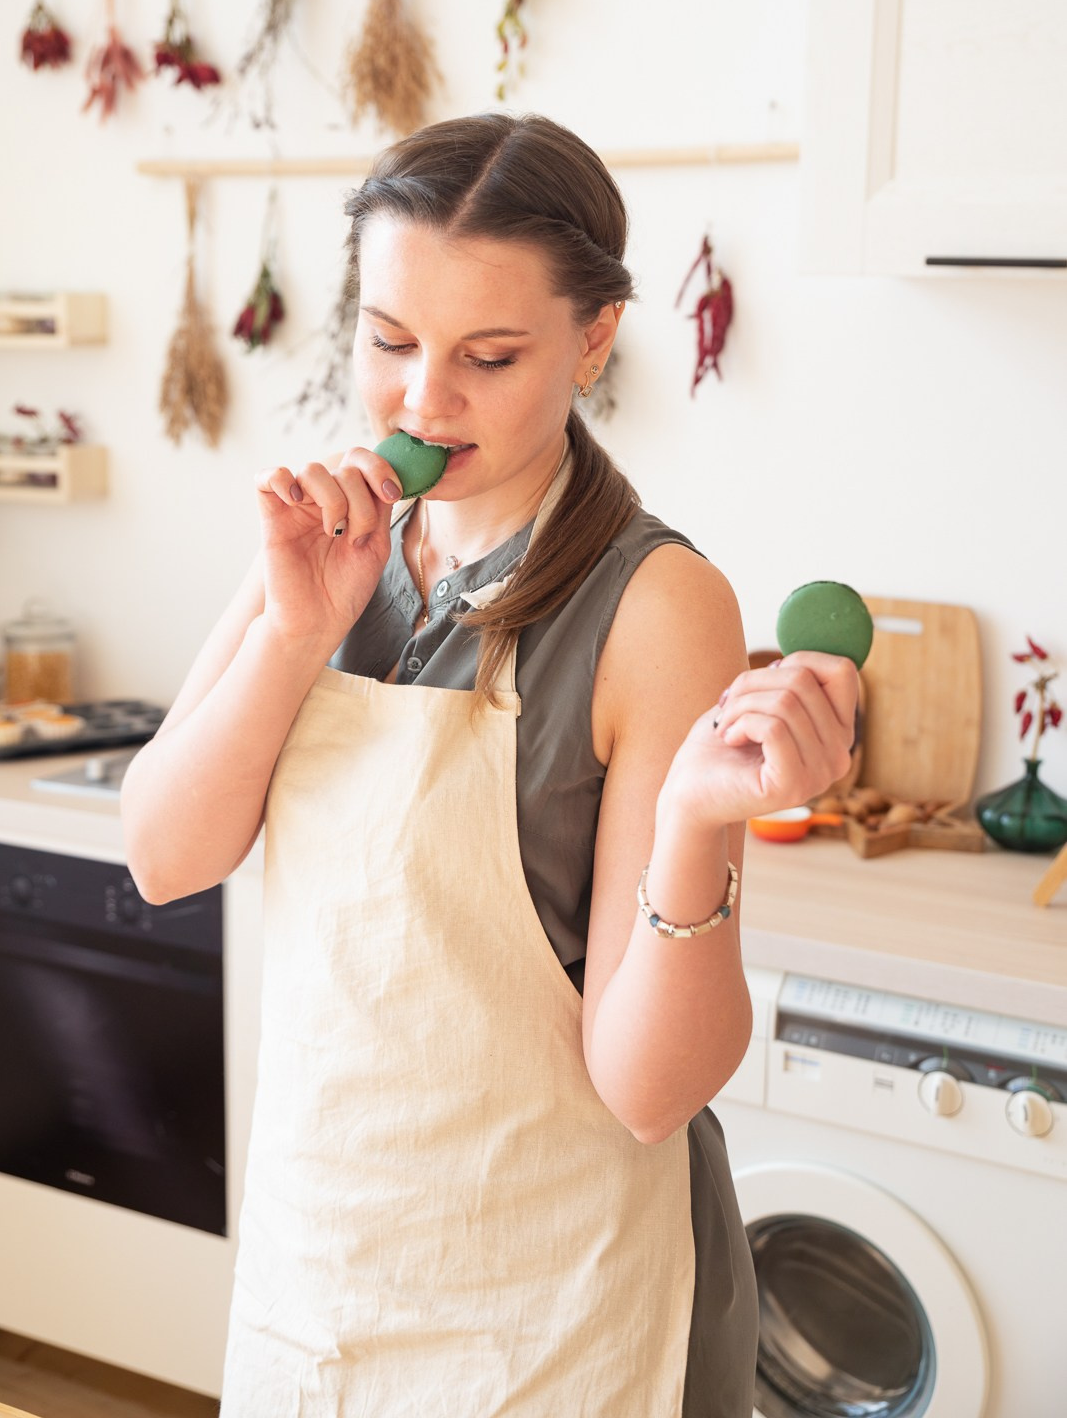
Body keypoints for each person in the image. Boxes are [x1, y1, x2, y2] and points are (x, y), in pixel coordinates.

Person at [121, 112, 857, 1418]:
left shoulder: (658, 605)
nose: (421, 401)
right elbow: (164, 855)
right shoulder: (318, 540)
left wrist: (693, 824)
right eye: (390, 341)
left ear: (593, 336)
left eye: (489, 355)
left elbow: (649, 1092)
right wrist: (297, 632)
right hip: (325, 1273)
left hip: (555, 1316)